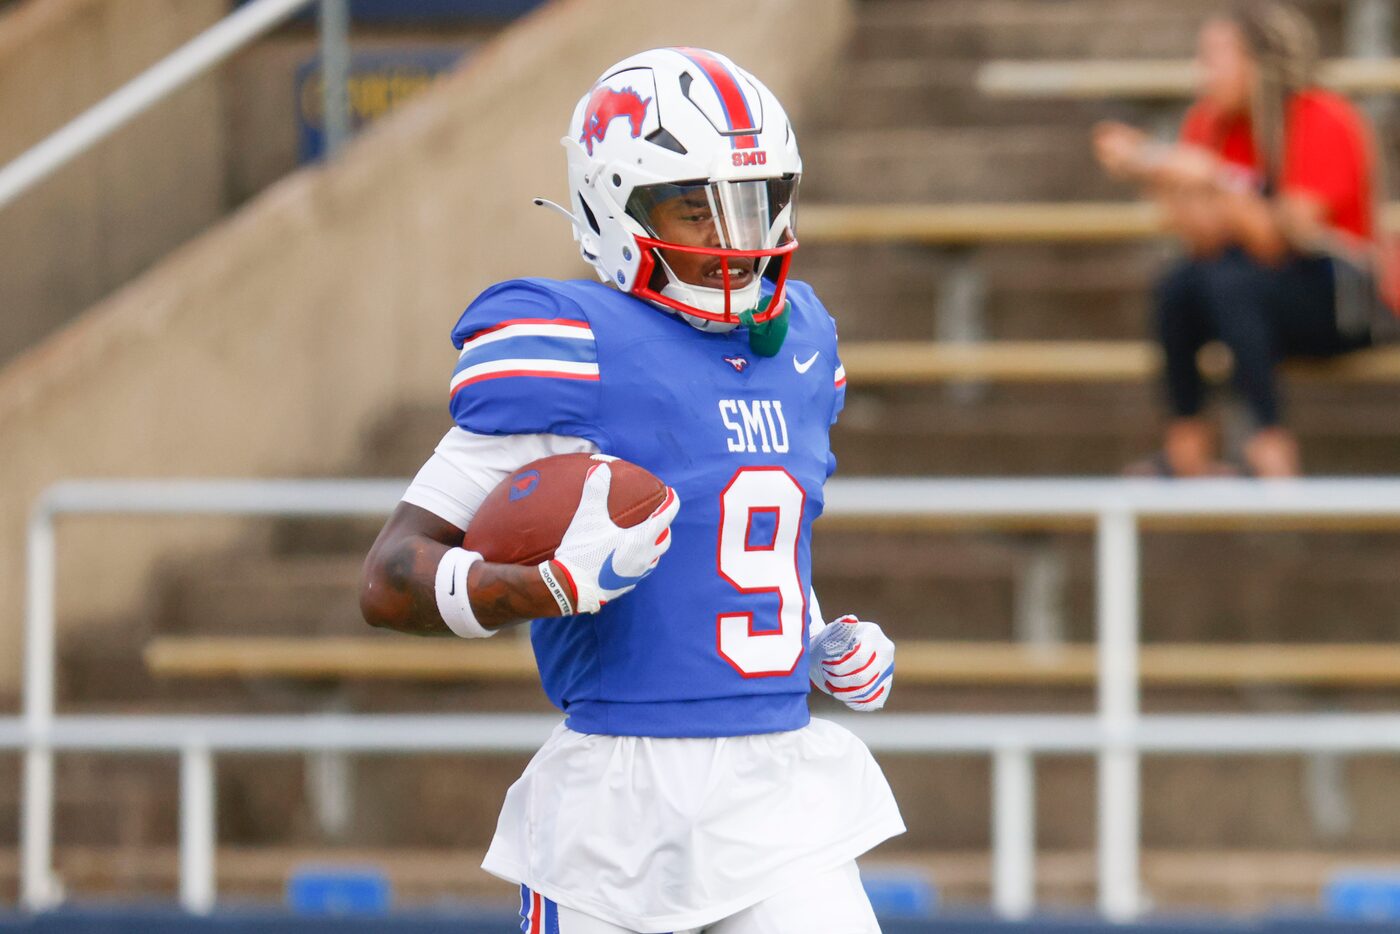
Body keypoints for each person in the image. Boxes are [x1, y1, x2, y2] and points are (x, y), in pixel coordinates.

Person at [359, 47, 904, 934]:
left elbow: (737, 546)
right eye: (699, 208)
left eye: (753, 202)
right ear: (614, 205)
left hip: (776, 786)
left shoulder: (801, 343)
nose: (736, 237)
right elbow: (388, 579)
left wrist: (812, 633)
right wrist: (535, 589)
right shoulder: (568, 344)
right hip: (614, 802)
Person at [1093, 0, 1397, 477]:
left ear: (1258, 63)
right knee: (1180, 285)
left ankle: (1270, 445)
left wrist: (1212, 179)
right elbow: (1202, 239)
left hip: (1342, 298)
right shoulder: (1209, 123)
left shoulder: (1322, 118)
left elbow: (1280, 240)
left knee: (1232, 283)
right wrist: (1153, 172)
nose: (1203, 72)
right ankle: (1187, 448)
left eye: (1215, 58)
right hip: (1261, 295)